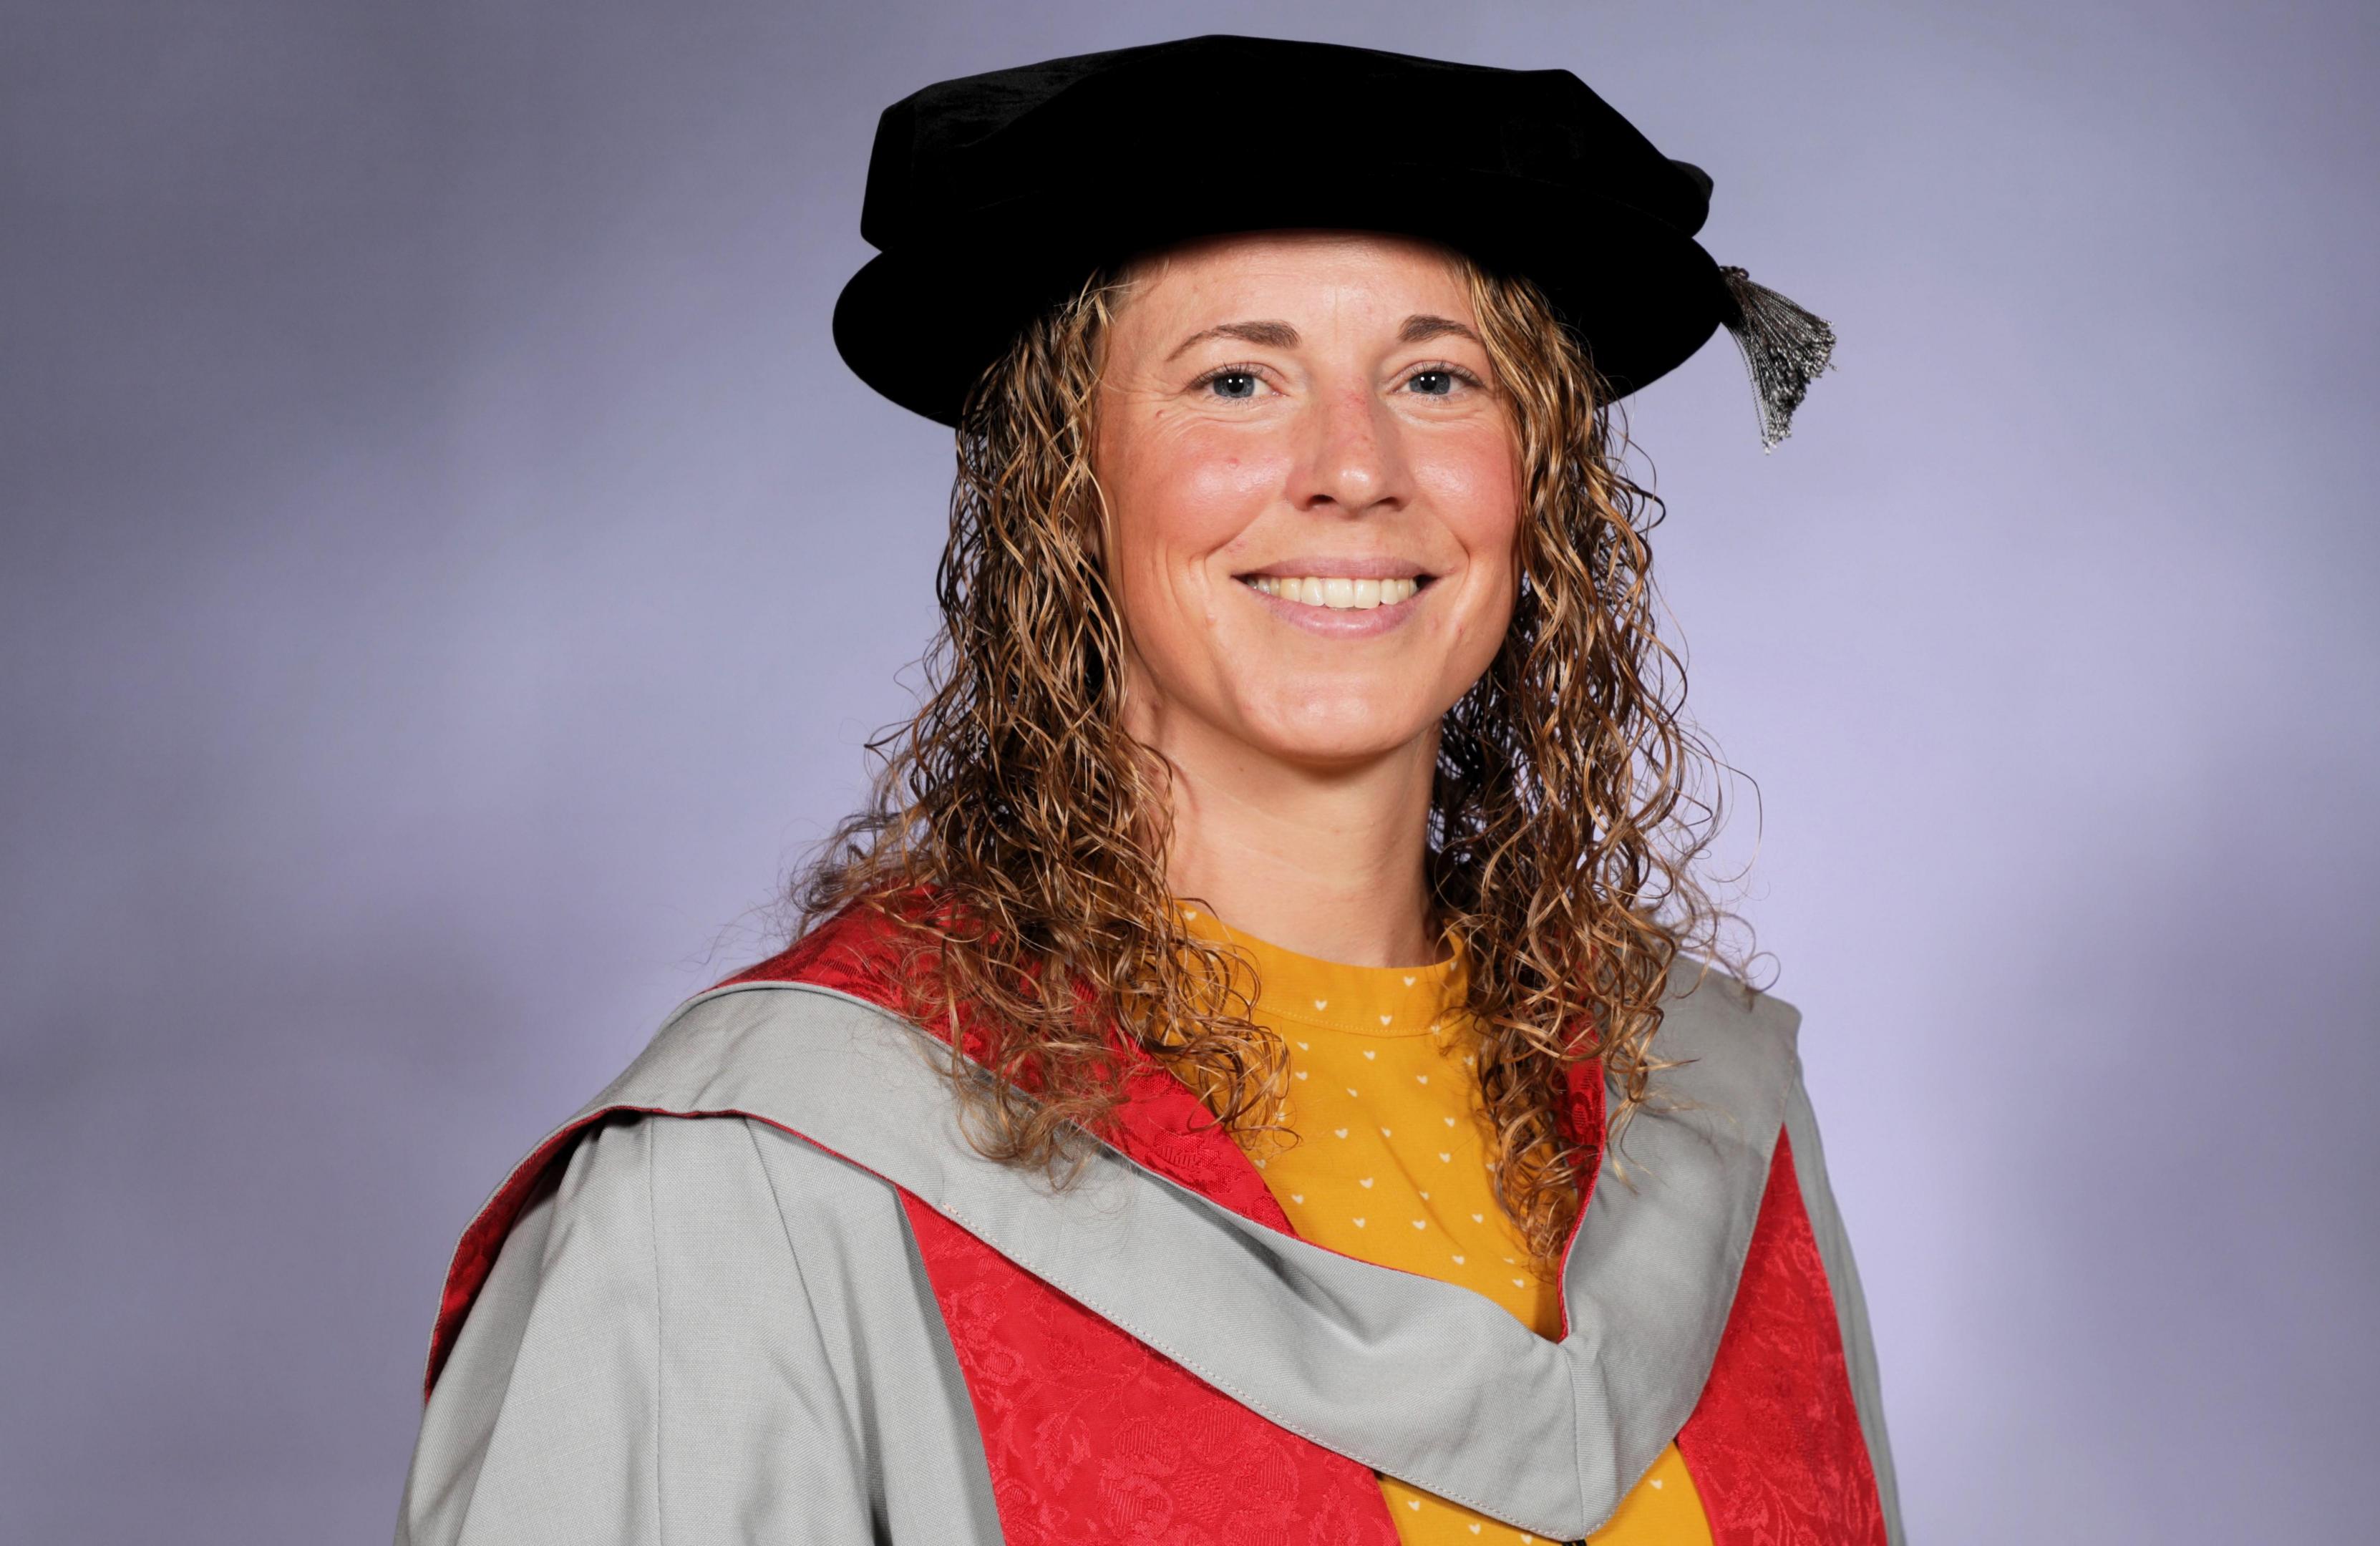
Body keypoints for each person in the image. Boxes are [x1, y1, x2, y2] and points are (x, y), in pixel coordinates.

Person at [396, 34, 1902, 1546]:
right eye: (1236, 379)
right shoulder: (756, 1194)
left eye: (1438, 376)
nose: (1354, 467)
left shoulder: (1702, 1114)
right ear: (1069, 482)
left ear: (1541, 475)